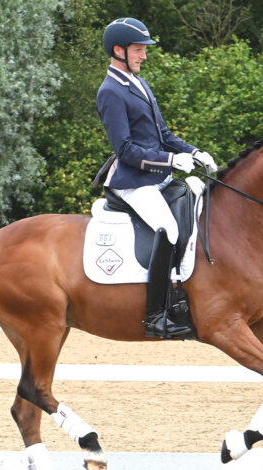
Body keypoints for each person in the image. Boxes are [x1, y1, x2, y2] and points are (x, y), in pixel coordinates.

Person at [96, 17, 217, 338]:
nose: (144, 56)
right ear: (118, 50)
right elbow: (125, 150)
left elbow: (162, 133)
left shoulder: (140, 84)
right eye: (138, 50)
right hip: (133, 182)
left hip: (158, 177)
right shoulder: (110, 91)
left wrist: (192, 151)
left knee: (197, 209)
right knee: (170, 229)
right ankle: (156, 314)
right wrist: (171, 159)